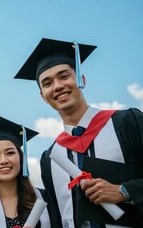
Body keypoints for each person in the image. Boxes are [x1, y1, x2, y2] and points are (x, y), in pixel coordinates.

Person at [14, 38, 143, 227]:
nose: (57, 86)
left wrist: (125, 191)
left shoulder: (127, 122)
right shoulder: (50, 158)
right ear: (43, 96)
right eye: (47, 83)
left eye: (64, 76)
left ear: (81, 79)